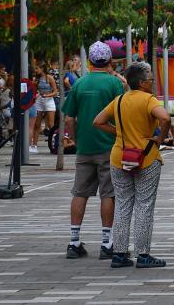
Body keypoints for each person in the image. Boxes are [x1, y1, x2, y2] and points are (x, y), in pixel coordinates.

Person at [92, 62, 170, 268]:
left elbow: (98, 121)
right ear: (143, 83)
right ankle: (143, 254)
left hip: (119, 156)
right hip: (146, 157)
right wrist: (160, 138)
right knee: (144, 205)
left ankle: (119, 253)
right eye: (151, 79)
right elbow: (165, 117)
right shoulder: (148, 100)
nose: (153, 82)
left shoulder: (118, 100)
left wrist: (118, 133)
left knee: (123, 204)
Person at [62, 41, 125, 260]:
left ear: (89, 61)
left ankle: (74, 241)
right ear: (109, 61)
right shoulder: (114, 84)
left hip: (85, 148)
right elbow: (121, 113)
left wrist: (77, 140)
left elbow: (69, 118)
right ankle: (107, 243)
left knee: (80, 192)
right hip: (109, 146)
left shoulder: (79, 84)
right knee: (108, 194)